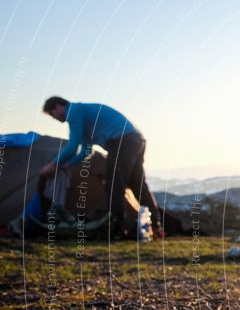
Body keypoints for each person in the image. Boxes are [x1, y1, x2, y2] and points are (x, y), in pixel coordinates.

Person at [41, 96, 162, 238]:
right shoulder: (83, 114)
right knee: (137, 184)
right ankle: (156, 226)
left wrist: (53, 164)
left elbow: (73, 146)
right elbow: (87, 150)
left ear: (57, 106)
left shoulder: (74, 111)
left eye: (51, 114)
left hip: (122, 140)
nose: (54, 118)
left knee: (113, 184)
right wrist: (68, 165)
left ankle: (118, 229)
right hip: (135, 139)